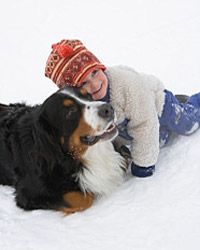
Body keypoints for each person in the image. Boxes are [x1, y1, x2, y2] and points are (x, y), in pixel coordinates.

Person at [44, 39, 200, 177]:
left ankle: (193, 104)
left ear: (101, 67)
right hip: (127, 119)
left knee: (187, 124)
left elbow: (144, 125)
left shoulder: (127, 85)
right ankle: (169, 120)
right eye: (83, 83)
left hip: (155, 104)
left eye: (95, 73)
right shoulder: (87, 105)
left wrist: (143, 165)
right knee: (160, 139)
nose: (95, 84)